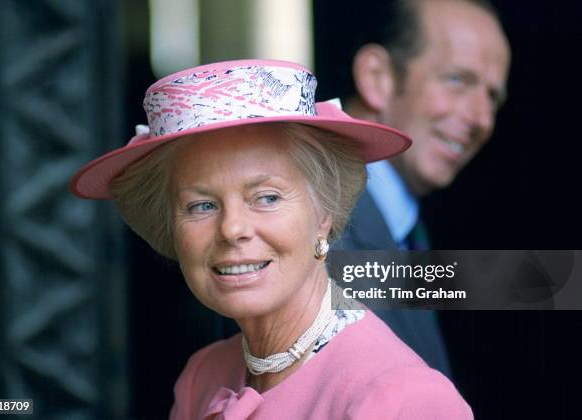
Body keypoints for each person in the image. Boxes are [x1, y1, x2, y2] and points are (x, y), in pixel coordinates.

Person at [70, 59, 472, 419]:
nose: (232, 229)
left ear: (323, 215)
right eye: (201, 206)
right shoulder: (201, 377)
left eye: (266, 197)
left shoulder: (405, 399)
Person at [331, 0, 511, 377]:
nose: (482, 118)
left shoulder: (405, 231)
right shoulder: (317, 229)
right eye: (457, 80)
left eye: (492, 97)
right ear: (377, 76)